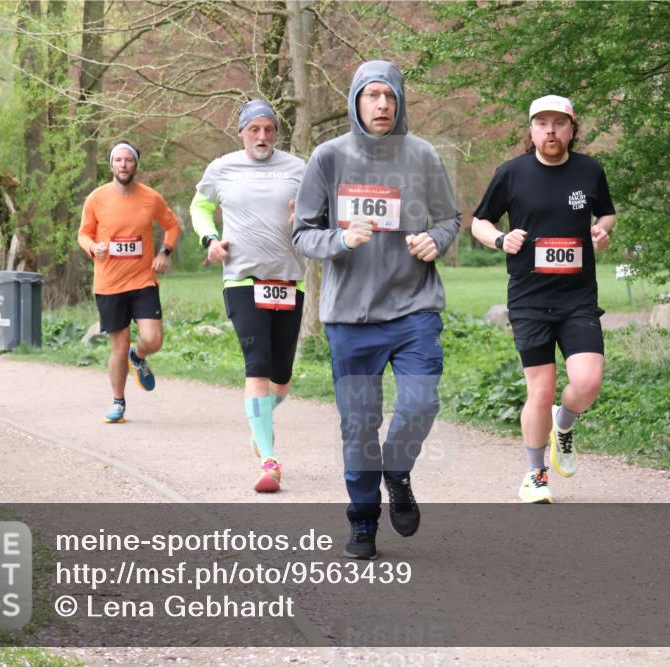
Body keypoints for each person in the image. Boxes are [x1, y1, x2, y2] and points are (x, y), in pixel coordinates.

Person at [293, 61, 461, 559]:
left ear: (400, 101)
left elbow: (450, 218)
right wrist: (340, 238)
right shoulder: (328, 158)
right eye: (372, 96)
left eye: (390, 95)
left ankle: (398, 469)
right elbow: (302, 232)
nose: (382, 104)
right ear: (355, 102)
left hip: (414, 308)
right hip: (351, 317)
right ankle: (363, 520)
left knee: (422, 402)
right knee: (359, 424)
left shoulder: (423, 155)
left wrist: (436, 239)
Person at [471, 94, 616, 503]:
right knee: (541, 390)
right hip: (529, 299)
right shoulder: (512, 174)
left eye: (558, 123)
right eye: (541, 124)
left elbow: (606, 213)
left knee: (587, 382)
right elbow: (479, 222)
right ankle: (535, 473)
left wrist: (602, 230)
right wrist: (501, 238)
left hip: (578, 299)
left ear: (572, 129)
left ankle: (564, 424)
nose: (550, 131)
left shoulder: (590, 170)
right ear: (531, 130)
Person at [190, 99, 306, 493]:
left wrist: (304, 218)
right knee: (256, 366)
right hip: (242, 279)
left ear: (276, 132)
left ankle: (260, 424)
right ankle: (269, 462)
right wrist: (209, 239)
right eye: (254, 129)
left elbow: (319, 211)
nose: (262, 137)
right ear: (241, 132)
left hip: (290, 281)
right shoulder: (222, 168)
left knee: (282, 379)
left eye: (268, 129)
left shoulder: (298, 168)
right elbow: (200, 205)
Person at [77, 140, 180, 423]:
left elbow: (172, 225)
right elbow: (83, 234)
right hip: (109, 284)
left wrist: (164, 252)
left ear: (136, 164)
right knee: (118, 345)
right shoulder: (96, 198)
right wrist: (92, 247)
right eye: (118, 160)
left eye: (129, 160)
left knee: (153, 339)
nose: (123, 165)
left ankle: (139, 356)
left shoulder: (151, 198)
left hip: (143, 280)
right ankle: (118, 403)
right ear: (111, 165)